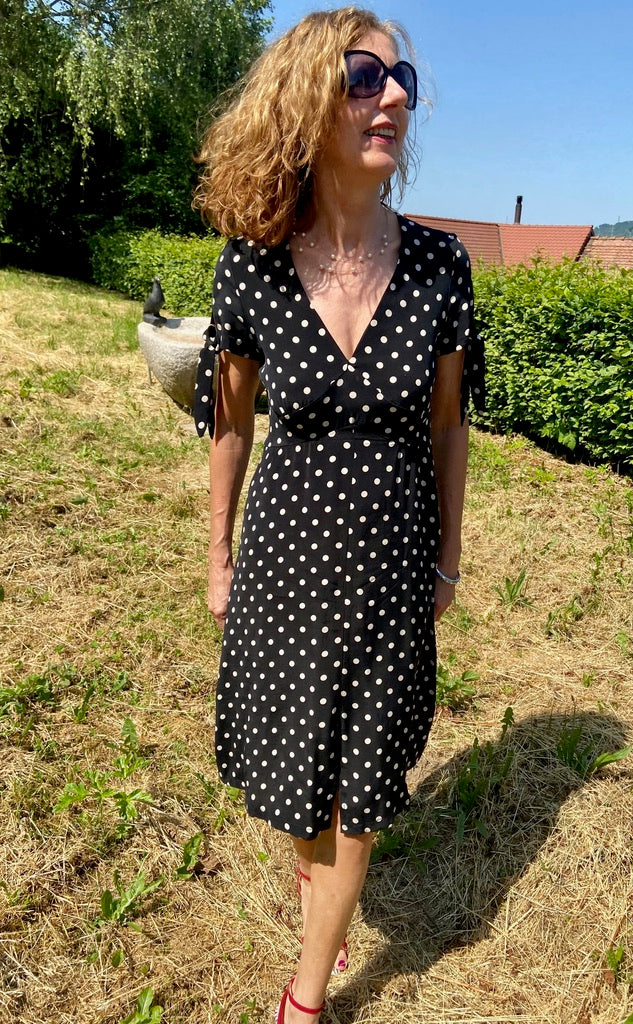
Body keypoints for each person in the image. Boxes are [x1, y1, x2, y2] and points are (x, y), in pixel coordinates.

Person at [192, 7, 483, 1022]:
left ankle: (307, 995)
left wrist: (449, 557)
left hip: (391, 569)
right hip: (285, 563)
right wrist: (219, 555)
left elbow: (448, 428)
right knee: (297, 774)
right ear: (309, 100)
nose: (393, 95)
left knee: (357, 796)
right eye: (365, 77)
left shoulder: (442, 266)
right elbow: (231, 423)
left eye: (401, 80)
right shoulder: (254, 263)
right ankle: (317, 879)